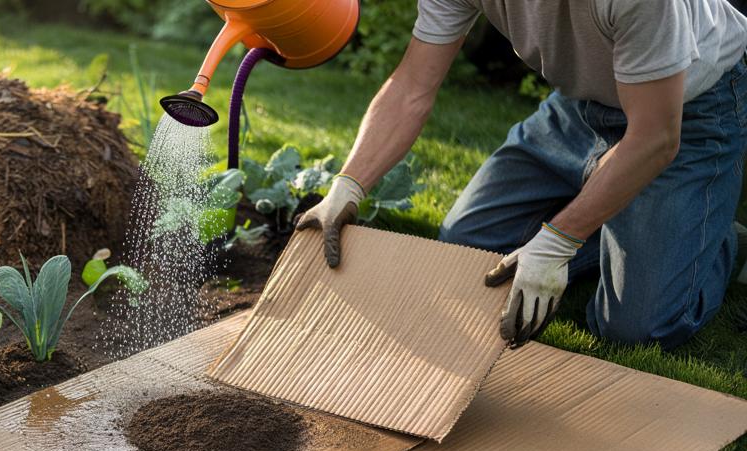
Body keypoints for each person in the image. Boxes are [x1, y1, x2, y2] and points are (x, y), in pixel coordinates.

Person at [297, 0, 747, 349]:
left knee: (636, 330)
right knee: (466, 249)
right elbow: (412, 87)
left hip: (688, 111)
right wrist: (348, 184)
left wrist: (557, 242)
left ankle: (715, 236)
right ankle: (620, 221)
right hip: (581, 106)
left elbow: (655, 138)